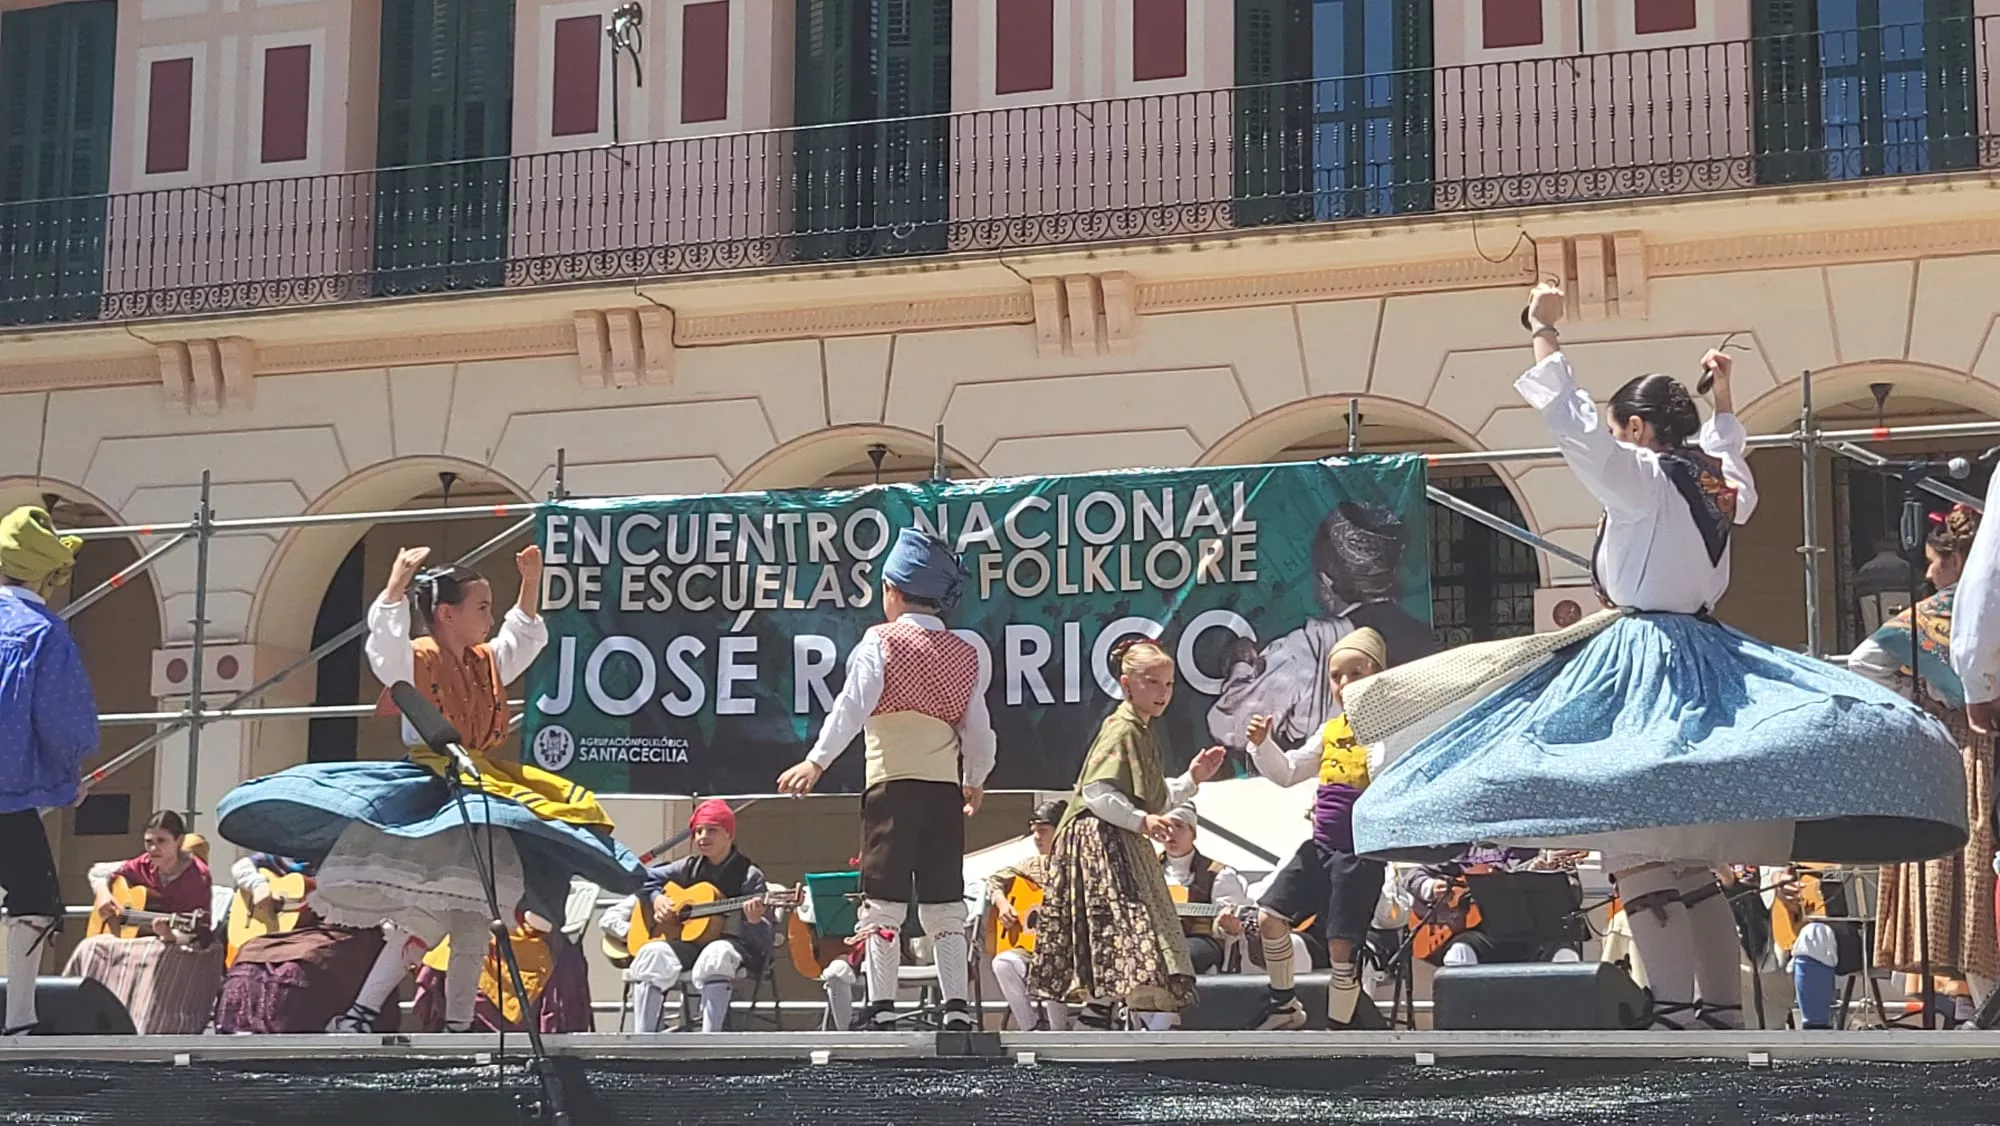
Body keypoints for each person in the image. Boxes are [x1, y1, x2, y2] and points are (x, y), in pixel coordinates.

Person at [1342, 283, 1968, 1030]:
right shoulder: (1714, 485)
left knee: (1633, 841)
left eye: (1624, 429)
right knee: (1682, 856)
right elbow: (1734, 462)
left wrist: (1543, 333)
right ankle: (1719, 1011)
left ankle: (1675, 1009)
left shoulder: (1641, 479)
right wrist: (1725, 401)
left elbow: (1574, 427)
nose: (1618, 442)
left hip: (1642, 661)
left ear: (1638, 428)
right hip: (1707, 652)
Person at [215, 544, 644, 1034]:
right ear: (447, 613)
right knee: (429, 918)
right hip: (436, 794)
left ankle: (454, 1028)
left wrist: (531, 583)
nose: (489, 616)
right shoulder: (417, 659)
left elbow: (519, 642)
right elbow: (386, 655)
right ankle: (359, 1015)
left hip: (478, 789)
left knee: (473, 924)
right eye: (482, 607)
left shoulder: (484, 661)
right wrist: (395, 588)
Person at [775, 527, 996, 1031]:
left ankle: (881, 1006)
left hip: (891, 788)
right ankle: (957, 1006)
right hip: (943, 791)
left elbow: (851, 707)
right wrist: (975, 777)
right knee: (944, 897)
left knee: (884, 898)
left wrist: (817, 761)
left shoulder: (880, 639)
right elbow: (978, 728)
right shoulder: (968, 650)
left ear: (893, 592)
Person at [1028, 639, 1227, 1026]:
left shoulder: (1141, 732)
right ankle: (1097, 1010)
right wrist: (1141, 821)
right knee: (1120, 921)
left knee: (1131, 926)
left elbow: (1153, 798)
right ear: (1126, 684)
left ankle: (1104, 1011)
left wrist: (1192, 779)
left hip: (1119, 838)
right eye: (1152, 682)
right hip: (1098, 841)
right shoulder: (1122, 728)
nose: (1162, 693)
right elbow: (1097, 792)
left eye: (1168, 685)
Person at [1849, 504, 1997, 1022]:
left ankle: (1980, 1010)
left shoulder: (1940, 614)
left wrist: (1924, 699)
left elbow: (1865, 664)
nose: (1930, 573)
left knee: (1971, 882)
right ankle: (1972, 1007)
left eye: (1937, 561)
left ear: (1959, 561)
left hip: (1970, 747)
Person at [1242, 628, 1389, 1030]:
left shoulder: (1389, 730)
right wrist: (1263, 744)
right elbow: (1288, 772)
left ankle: (1339, 1030)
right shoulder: (1330, 730)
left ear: (1377, 673)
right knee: (1269, 916)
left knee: (1343, 947)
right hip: (1320, 846)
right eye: (1336, 676)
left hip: (1358, 854)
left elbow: (1387, 777)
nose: (1343, 685)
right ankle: (1284, 1003)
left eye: (1355, 673)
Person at [1207, 506, 1432, 756]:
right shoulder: (1425, 638)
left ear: (1326, 583)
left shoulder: (1310, 646)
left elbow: (1231, 725)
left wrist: (1240, 664)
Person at [0, 505, 95, 1036]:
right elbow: (59, 715)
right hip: (6, 793)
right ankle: (18, 1022)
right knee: (34, 898)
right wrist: (66, 778)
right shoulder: (43, 633)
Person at [67, 810, 225, 1035]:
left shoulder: (196, 876)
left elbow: (197, 930)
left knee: (157, 954)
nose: (153, 849)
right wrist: (103, 893)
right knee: (90, 947)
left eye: (161, 841)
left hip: (183, 942)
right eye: (148, 842)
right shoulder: (143, 864)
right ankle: (79, 1020)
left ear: (178, 841)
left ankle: (144, 1026)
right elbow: (98, 871)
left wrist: (170, 935)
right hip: (144, 938)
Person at [626, 800, 774, 1033]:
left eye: (712, 830)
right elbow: (641, 877)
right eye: (698, 832)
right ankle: (643, 1039)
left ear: (729, 834)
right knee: (651, 953)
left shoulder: (749, 875)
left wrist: (754, 921)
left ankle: (709, 1039)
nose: (703, 837)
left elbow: (764, 941)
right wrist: (657, 898)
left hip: (732, 946)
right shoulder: (689, 866)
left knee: (716, 954)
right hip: (689, 945)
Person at [1133, 801, 1249, 1031]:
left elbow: (1231, 919)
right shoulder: (1145, 868)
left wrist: (1227, 925)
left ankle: (1161, 1025)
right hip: (1156, 937)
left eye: (1179, 826)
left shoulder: (1218, 873)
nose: (1171, 833)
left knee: (1179, 954)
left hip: (1200, 940)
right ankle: (1146, 1018)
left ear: (1193, 833)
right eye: (1166, 826)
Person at [1404, 846, 1585, 967]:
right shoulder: (1460, 846)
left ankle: (1561, 1021)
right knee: (1459, 951)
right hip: (1482, 936)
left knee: (1565, 954)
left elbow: (1573, 895)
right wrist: (1431, 887)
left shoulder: (1538, 845)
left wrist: (1546, 876)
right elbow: (1414, 875)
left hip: (1536, 935)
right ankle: (1465, 1021)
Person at [986, 800, 1070, 1031]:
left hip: (1070, 954)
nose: (1036, 837)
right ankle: (1029, 1027)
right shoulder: (1030, 866)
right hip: (1031, 949)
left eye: (1043, 831)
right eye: (1034, 831)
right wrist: (1003, 905)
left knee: (1050, 961)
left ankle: (1058, 1030)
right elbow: (994, 881)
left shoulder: (1077, 867)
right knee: (1003, 963)